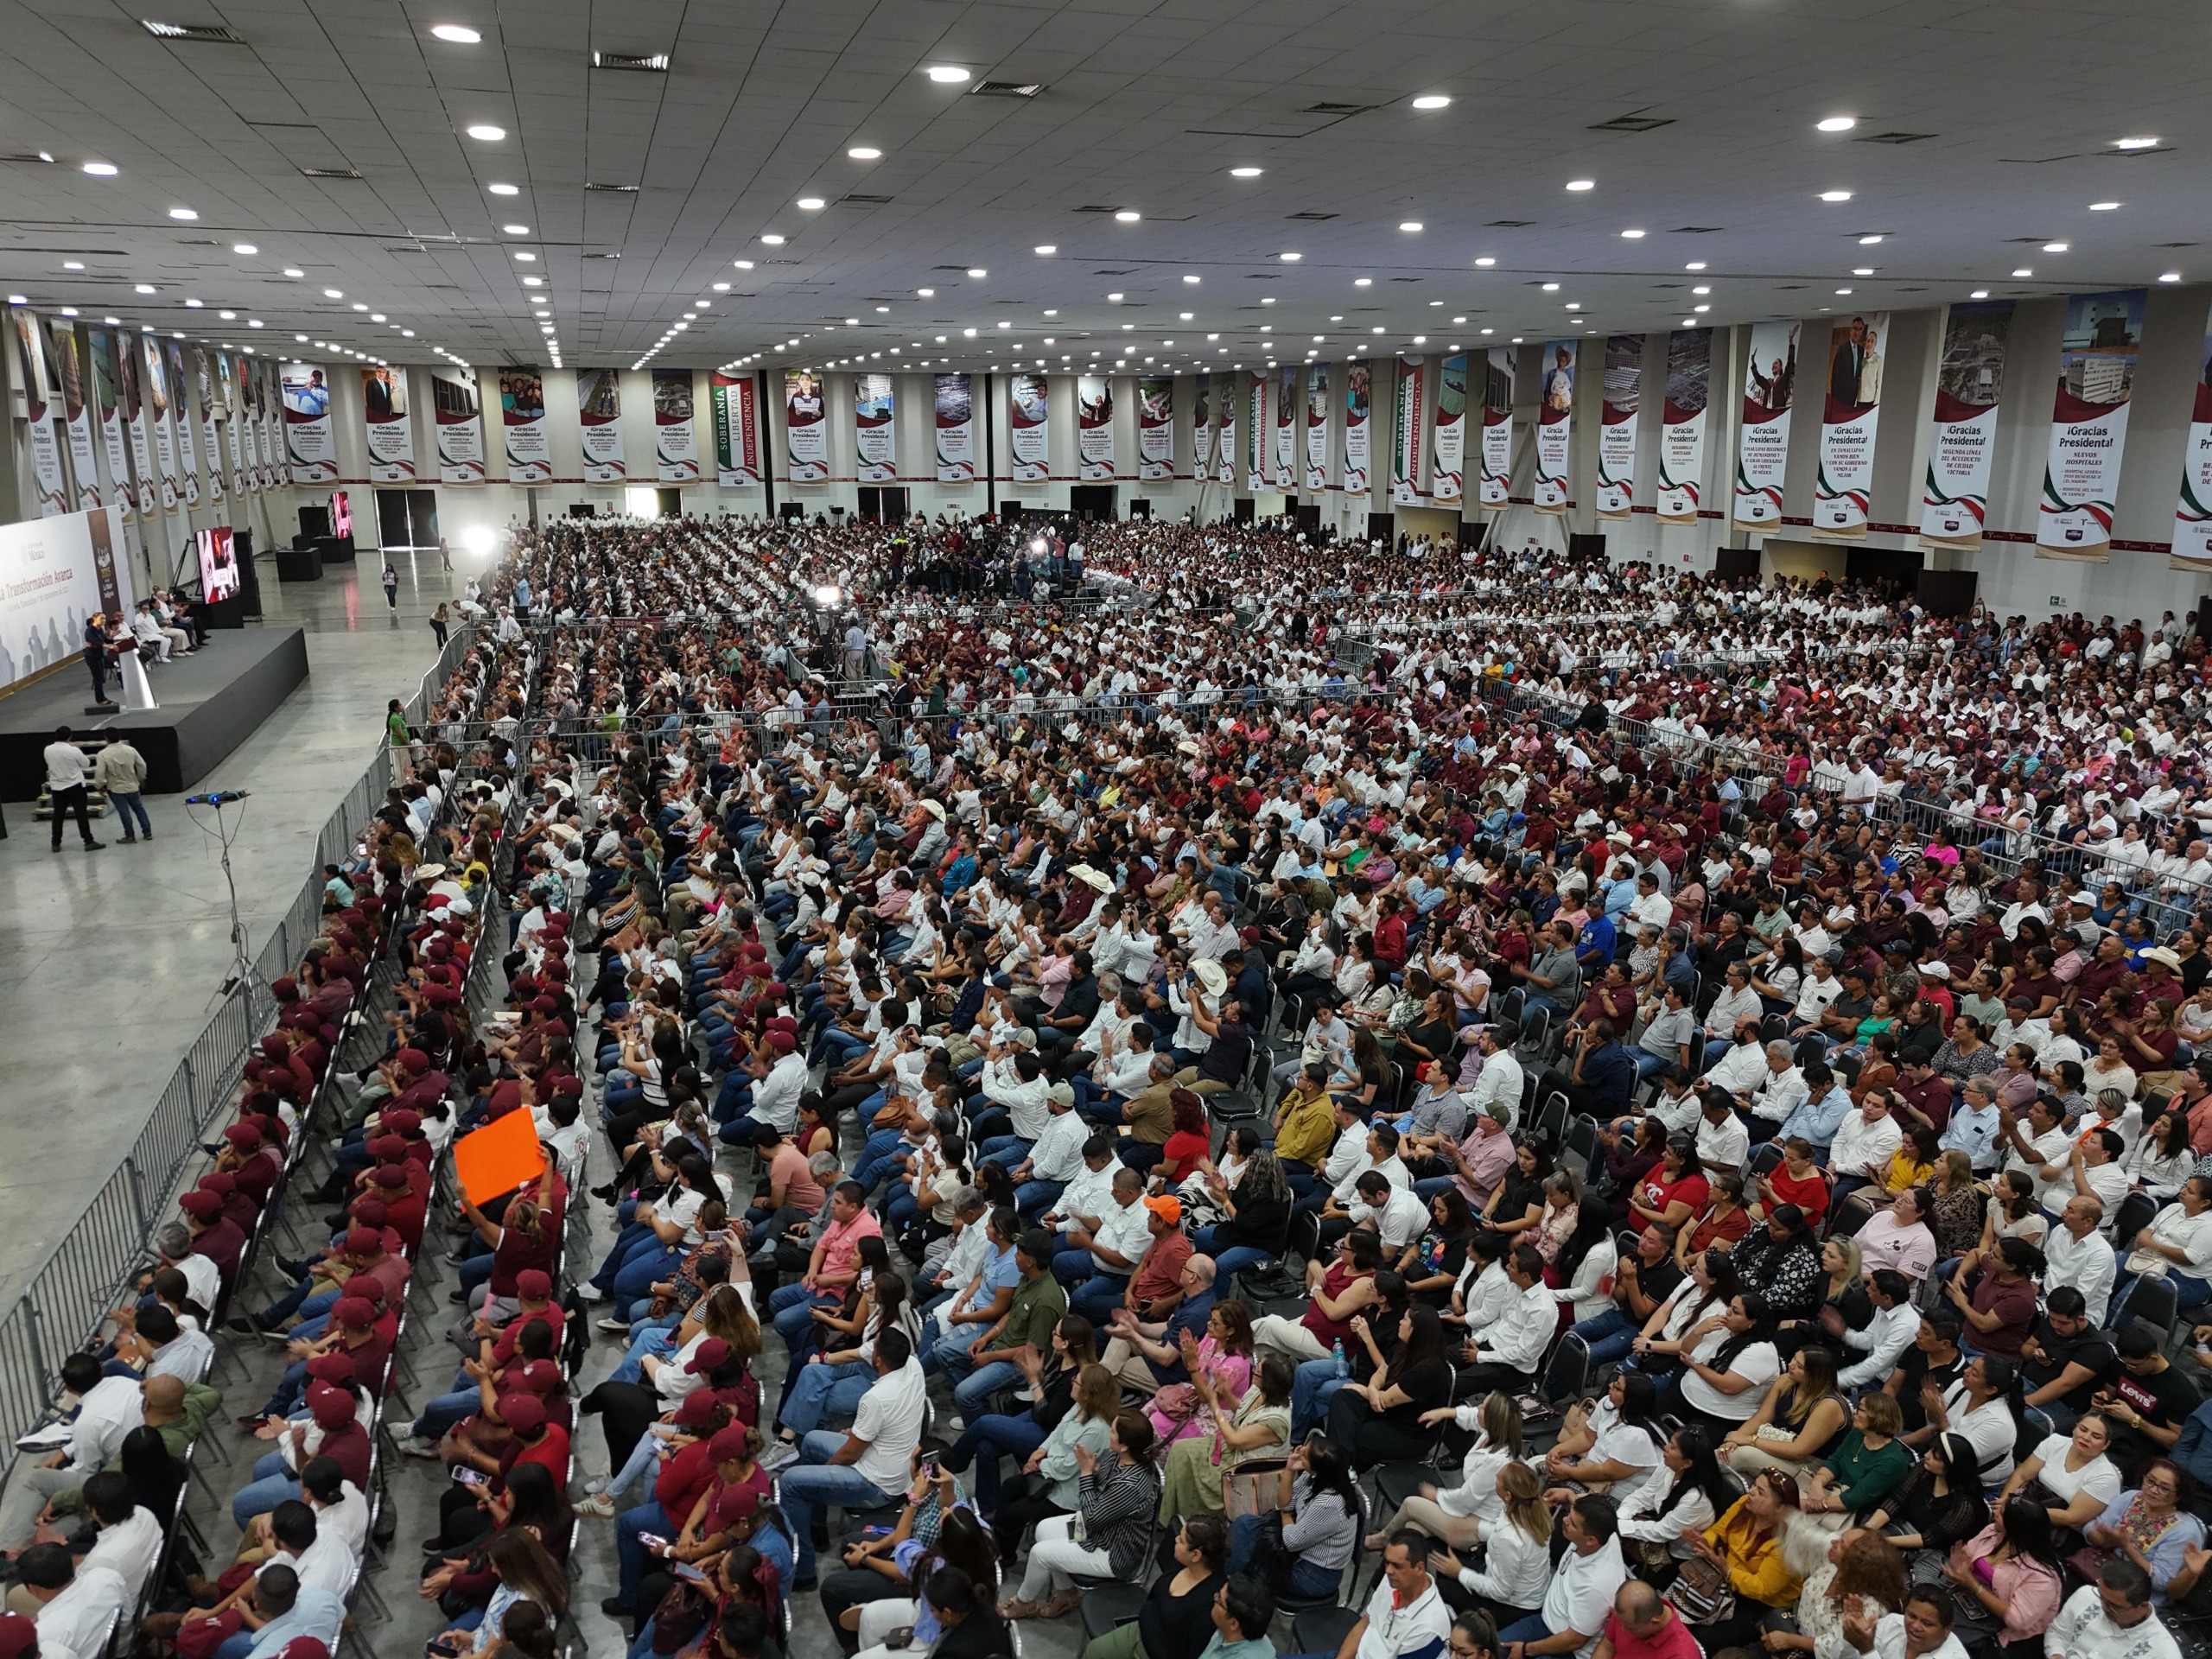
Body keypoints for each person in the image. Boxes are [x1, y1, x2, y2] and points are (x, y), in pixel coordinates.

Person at [776, 1327, 927, 1589]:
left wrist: (827, 1470)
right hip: (889, 1459)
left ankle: (804, 1572)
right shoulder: (914, 1366)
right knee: (811, 1440)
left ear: (878, 1360)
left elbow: (850, 1454)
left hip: (877, 1482)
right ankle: (816, 1528)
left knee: (790, 1482)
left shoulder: (876, 1397)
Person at [1079, 1514, 1227, 1659]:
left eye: (1181, 1540)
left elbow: (1194, 1651)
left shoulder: (1208, 1602)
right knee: (1093, 1651)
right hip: (1140, 1631)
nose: (1176, 1539)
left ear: (1196, 1555)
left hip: (1156, 1653)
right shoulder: (1182, 1564)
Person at [1497, 1496, 1626, 1659]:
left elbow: (1575, 1640)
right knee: (1488, 1650)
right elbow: (1589, 1511)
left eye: (1572, 1523)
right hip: (1543, 1618)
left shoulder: (1596, 1586)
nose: (1564, 1520)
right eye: (1568, 1514)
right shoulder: (1606, 1534)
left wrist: (1525, 1649)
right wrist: (1567, 1495)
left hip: (1566, 1649)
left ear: (1590, 1540)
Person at [2043, 1560, 2181, 1659]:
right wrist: (2056, 1654)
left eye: (2114, 1606)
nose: (2103, 1607)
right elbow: (2058, 1633)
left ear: (2142, 1607)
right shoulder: (2087, 1595)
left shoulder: (2162, 1652)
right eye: (2102, 1597)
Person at [43, 726, 101, 851]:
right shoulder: (74, 750)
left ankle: (55, 842)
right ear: (70, 737)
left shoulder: (48, 749)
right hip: (75, 786)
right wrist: (76, 748)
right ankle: (88, 841)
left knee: (58, 815)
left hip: (57, 787)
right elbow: (86, 763)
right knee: (81, 814)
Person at [94, 734, 150, 842]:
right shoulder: (131, 750)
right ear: (119, 737)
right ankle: (147, 832)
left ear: (106, 739)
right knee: (139, 809)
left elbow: (100, 772)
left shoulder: (103, 754)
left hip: (115, 788)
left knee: (124, 812)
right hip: (132, 785)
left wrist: (99, 786)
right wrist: (141, 777)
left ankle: (130, 836)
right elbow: (142, 765)